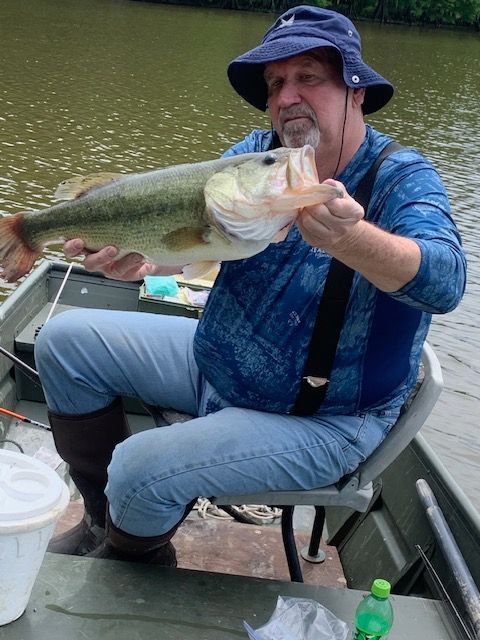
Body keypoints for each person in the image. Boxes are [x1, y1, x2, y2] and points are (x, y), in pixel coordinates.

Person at [34, 5, 466, 564]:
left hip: (324, 419)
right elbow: (197, 243)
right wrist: (141, 261)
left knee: (138, 467)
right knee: (64, 343)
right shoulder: (256, 157)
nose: (287, 96)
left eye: (308, 77)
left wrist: (351, 240)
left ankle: (134, 555)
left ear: (355, 92)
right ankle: (102, 521)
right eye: (275, 83)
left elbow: (445, 281)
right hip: (216, 364)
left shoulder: (403, 178)